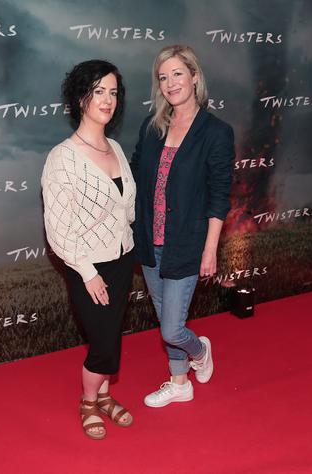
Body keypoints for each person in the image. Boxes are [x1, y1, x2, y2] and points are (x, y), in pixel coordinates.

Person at [131, 45, 235, 407]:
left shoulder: (215, 132)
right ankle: (179, 383)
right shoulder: (152, 126)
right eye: (163, 77)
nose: (170, 82)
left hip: (187, 243)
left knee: (172, 328)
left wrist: (210, 250)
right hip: (149, 241)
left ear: (194, 76)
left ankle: (200, 349)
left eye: (177, 73)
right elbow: (134, 176)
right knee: (165, 317)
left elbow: (219, 196)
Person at [41, 60, 136, 439]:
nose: (107, 100)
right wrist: (89, 271)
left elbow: (126, 208)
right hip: (89, 267)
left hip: (121, 258)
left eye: (113, 92)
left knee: (112, 335)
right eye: (99, 91)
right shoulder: (62, 158)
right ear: (81, 97)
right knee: (103, 346)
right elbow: (58, 228)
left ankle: (105, 396)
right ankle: (88, 402)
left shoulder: (114, 147)